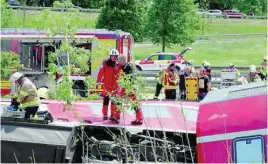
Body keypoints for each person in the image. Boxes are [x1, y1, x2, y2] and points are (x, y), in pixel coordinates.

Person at [117, 55, 143, 125]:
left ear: (123, 60)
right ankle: (139, 118)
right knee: (119, 99)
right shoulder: (125, 66)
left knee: (133, 103)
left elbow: (130, 78)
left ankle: (139, 119)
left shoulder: (129, 67)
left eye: (119, 60)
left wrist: (126, 88)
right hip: (129, 86)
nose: (118, 62)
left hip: (130, 87)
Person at [97, 49, 121, 121]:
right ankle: (105, 113)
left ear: (117, 57)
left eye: (115, 56)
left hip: (115, 86)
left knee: (114, 101)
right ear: (110, 56)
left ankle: (113, 115)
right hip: (107, 86)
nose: (113, 57)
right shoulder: (105, 63)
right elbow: (101, 71)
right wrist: (98, 80)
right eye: (112, 56)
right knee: (106, 100)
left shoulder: (119, 64)